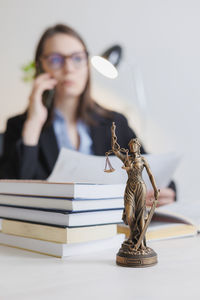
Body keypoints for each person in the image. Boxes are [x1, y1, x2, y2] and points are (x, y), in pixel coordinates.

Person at [0, 23, 176, 206]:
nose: (68, 68)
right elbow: (11, 195)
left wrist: (165, 191)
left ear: (87, 65)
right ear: (41, 67)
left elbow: (155, 173)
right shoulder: (21, 126)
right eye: (55, 59)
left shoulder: (114, 122)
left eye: (77, 58)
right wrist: (34, 124)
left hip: (111, 228)